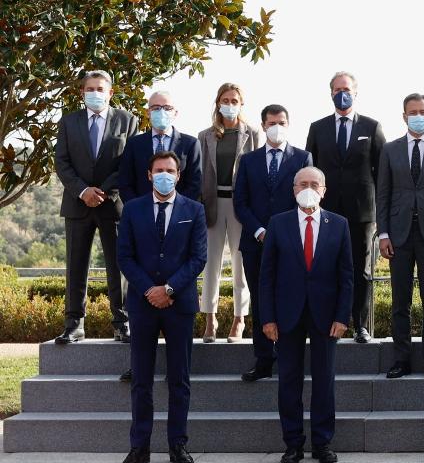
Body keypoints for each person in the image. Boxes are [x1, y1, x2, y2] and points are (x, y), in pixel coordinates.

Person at [115, 151, 207, 463]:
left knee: (179, 379)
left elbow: (198, 258)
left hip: (179, 304)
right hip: (143, 305)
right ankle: (139, 447)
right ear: (149, 175)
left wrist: (168, 290)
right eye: (159, 170)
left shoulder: (194, 210)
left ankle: (178, 445)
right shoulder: (133, 209)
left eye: (170, 170)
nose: (164, 174)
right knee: (141, 379)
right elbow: (125, 256)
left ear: (178, 175)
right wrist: (149, 290)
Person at [258, 166, 353, 463]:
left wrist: (342, 316)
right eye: (303, 184)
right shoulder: (278, 223)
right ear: (294, 190)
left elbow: (347, 276)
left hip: (326, 315)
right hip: (287, 314)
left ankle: (322, 443)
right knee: (289, 380)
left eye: (314, 184)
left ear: (324, 190)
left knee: (324, 381)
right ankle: (293, 444)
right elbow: (266, 275)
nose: (308, 189)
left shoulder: (339, 224)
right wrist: (267, 318)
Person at [53, 70, 140, 348]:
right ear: (82, 92)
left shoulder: (128, 120)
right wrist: (83, 191)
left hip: (112, 204)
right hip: (77, 203)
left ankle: (122, 323)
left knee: (119, 266)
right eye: (90, 89)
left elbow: (128, 162)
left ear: (110, 92)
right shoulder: (69, 122)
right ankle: (74, 325)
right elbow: (61, 162)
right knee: (76, 266)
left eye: (100, 89)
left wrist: (103, 191)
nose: (95, 93)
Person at [376, 93, 424, 379]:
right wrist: (383, 233)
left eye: (423, 111)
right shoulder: (389, 149)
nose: (418, 116)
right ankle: (401, 359)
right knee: (401, 301)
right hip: (397, 236)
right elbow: (382, 194)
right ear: (404, 116)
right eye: (413, 112)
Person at [232, 105, 312, 382]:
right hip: (255, 242)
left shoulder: (302, 158)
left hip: (291, 243)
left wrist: (282, 233)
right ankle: (264, 358)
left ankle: (290, 357)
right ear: (264, 126)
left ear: (288, 124)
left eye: (282, 122)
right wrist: (259, 231)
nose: (277, 127)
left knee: (291, 297)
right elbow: (240, 202)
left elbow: (306, 199)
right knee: (260, 299)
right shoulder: (248, 160)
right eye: (272, 122)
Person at [306, 71, 385, 343]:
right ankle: (328, 323)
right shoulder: (318, 128)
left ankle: (360, 325)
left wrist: (380, 213)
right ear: (331, 93)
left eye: (347, 89)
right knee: (326, 267)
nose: (343, 94)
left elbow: (381, 173)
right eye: (338, 89)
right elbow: (310, 170)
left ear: (355, 92)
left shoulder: (372, 127)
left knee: (361, 269)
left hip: (362, 212)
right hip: (326, 212)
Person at [197, 83, 263, 343]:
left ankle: (239, 318)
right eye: (225, 100)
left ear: (241, 104)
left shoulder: (253, 134)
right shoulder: (205, 135)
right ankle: (209, 318)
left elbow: (257, 170)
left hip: (241, 206)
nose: (230, 104)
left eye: (234, 100)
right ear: (218, 103)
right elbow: (201, 172)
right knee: (210, 264)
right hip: (213, 203)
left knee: (240, 264)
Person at [118, 90, 202, 203]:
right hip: (141, 210)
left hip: (179, 210)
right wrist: (137, 208)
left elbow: (195, 184)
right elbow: (125, 182)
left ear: (175, 113)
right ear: (148, 112)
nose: (162, 112)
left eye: (167, 108)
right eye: (156, 108)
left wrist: (177, 208)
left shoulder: (191, 144)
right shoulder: (134, 144)